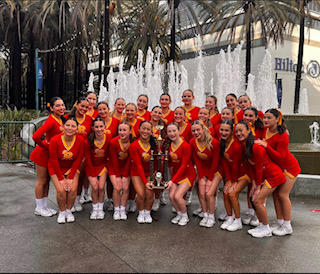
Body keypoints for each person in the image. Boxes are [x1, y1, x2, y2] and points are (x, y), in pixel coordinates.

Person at [235, 121, 286, 238]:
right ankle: (262, 225)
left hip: (274, 176)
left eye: (241, 130)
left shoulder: (256, 146)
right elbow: (251, 167)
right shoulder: (245, 145)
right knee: (254, 199)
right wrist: (253, 184)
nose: (238, 133)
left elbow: (258, 169)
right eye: (236, 131)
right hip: (265, 177)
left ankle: (266, 229)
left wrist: (258, 187)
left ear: (249, 130)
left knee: (257, 200)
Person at [255, 109, 301, 236]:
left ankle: (287, 225)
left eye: (269, 118)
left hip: (289, 168)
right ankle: (280, 221)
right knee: (275, 195)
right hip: (279, 168)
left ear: (277, 119)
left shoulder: (283, 135)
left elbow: (280, 157)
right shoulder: (266, 130)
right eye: (264, 117)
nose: (265, 120)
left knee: (282, 194)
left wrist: (265, 146)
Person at [30, 97, 66, 217]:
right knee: (42, 181)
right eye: (58, 106)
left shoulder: (59, 119)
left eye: (62, 105)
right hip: (42, 154)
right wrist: (45, 146)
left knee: (47, 181)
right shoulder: (51, 120)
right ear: (51, 108)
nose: (61, 108)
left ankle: (45, 205)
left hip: (49, 154)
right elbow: (36, 136)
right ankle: (39, 207)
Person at [48, 117, 85, 223]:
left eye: (73, 126)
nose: (70, 128)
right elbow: (54, 160)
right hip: (56, 167)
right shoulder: (55, 140)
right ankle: (62, 211)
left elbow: (78, 160)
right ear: (63, 127)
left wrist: (70, 177)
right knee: (61, 191)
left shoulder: (80, 140)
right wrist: (61, 179)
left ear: (77, 129)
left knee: (73, 190)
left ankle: (69, 211)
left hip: (71, 167)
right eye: (68, 125)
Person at [190, 121, 220, 227]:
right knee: (201, 191)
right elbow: (197, 161)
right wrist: (202, 178)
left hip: (215, 171)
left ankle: (212, 217)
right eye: (193, 130)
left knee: (209, 193)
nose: (196, 132)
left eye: (198, 129)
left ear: (203, 129)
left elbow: (215, 162)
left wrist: (210, 179)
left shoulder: (214, 142)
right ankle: (205, 214)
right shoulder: (192, 142)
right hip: (202, 170)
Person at [166, 122, 196, 226]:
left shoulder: (185, 145)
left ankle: (184, 215)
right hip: (176, 175)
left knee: (178, 196)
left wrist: (172, 180)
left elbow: (184, 165)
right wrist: (171, 178)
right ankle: (179, 214)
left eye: (174, 131)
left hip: (187, 174)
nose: (172, 133)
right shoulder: (169, 145)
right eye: (169, 131)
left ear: (179, 131)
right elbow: (170, 163)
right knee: (171, 196)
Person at [65, 97, 93, 210]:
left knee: (80, 177)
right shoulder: (67, 118)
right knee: (67, 177)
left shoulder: (90, 119)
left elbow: (92, 135)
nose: (84, 109)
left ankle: (76, 200)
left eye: (87, 107)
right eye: (82, 106)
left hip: (82, 153)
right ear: (76, 105)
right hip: (68, 151)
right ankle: (67, 201)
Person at [219, 119, 245, 230]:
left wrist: (233, 181)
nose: (223, 133)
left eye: (226, 130)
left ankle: (238, 221)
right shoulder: (222, 142)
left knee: (232, 193)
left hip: (243, 174)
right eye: (222, 130)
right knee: (226, 192)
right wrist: (228, 179)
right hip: (232, 174)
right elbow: (225, 162)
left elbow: (236, 164)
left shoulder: (236, 145)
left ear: (231, 131)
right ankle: (230, 217)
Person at [84, 117, 111, 220]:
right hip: (91, 167)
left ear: (105, 127)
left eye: (101, 126)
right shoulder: (88, 141)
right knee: (94, 187)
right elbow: (88, 159)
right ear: (93, 128)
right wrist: (93, 175)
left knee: (101, 187)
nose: (99, 129)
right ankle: (94, 209)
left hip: (103, 166)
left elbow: (110, 154)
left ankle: (100, 209)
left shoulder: (108, 137)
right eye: (96, 127)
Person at [129, 121, 156, 223]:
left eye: (148, 129)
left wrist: (156, 175)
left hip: (150, 171)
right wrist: (145, 182)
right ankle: (140, 212)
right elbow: (138, 165)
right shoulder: (134, 145)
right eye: (143, 128)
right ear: (139, 130)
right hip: (137, 171)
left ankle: (147, 212)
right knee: (141, 193)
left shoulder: (154, 144)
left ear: (151, 131)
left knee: (149, 193)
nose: (145, 131)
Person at [241, 107, 264, 226]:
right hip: (248, 161)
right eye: (246, 115)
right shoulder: (242, 127)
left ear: (256, 117)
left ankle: (258, 214)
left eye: (251, 116)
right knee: (250, 188)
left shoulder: (262, 128)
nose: (248, 118)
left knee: (259, 189)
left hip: (260, 162)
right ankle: (250, 212)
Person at [109, 122, 132, 220]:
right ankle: (116, 209)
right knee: (117, 188)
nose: (122, 132)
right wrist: (118, 176)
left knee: (126, 188)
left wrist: (125, 176)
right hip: (114, 167)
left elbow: (130, 160)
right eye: (120, 130)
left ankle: (122, 209)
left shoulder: (133, 142)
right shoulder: (113, 142)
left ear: (130, 131)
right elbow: (113, 160)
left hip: (127, 167)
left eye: (124, 130)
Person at [149, 106, 168, 211]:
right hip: (150, 155)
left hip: (160, 156)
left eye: (159, 113)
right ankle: (152, 198)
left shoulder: (163, 126)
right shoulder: (146, 124)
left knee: (159, 175)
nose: (157, 114)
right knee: (152, 175)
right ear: (151, 112)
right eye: (155, 112)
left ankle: (158, 198)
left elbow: (166, 139)